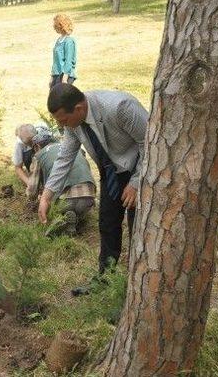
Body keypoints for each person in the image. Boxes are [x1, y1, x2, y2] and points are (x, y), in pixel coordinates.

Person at [38, 84, 148, 294]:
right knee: (107, 223)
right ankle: (105, 280)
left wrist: (135, 182)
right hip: (111, 171)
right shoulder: (73, 124)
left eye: (63, 120)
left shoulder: (121, 107)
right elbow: (65, 157)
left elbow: (150, 143)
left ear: (79, 108)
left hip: (141, 168)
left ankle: (137, 288)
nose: (62, 126)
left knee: (138, 229)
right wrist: (47, 195)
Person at [27, 129, 95, 236]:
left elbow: (32, 191)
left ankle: (63, 218)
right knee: (79, 210)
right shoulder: (72, 148)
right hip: (88, 196)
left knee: (52, 208)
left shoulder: (39, 155)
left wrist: (37, 197)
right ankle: (75, 219)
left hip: (65, 200)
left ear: (37, 147)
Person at [51, 14, 77, 89]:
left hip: (64, 75)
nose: (54, 27)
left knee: (61, 100)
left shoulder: (69, 41)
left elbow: (69, 60)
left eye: (55, 25)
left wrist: (65, 77)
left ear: (61, 25)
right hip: (57, 74)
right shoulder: (58, 40)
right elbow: (55, 60)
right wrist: (52, 77)